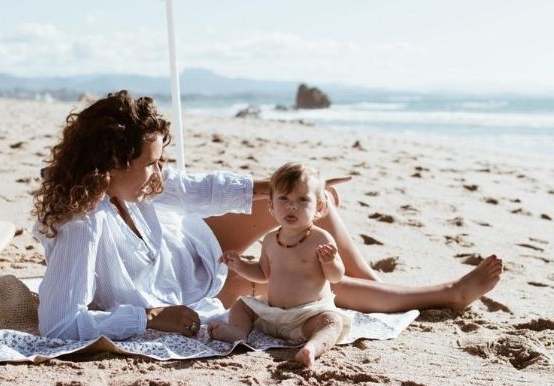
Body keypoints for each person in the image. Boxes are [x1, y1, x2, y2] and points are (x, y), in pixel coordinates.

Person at [32, 90, 503, 342]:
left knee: (304, 203)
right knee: (307, 276)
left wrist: (278, 190)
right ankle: (444, 293)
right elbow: (58, 324)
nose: (159, 172)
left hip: (195, 249)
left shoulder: (132, 182)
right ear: (111, 164)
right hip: (206, 287)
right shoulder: (82, 225)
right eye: (150, 162)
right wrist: (149, 317)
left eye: (160, 159)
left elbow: (197, 189)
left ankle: (378, 285)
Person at [210, 162, 351, 368]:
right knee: (242, 304)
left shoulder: (321, 238)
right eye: (283, 198)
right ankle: (238, 331)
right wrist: (240, 265)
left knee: (332, 321)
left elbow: (336, 277)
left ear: (319, 208)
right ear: (271, 205)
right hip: (272, 314)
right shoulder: (270, 240)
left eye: (303, 200)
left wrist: (330, 262)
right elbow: (263, 273)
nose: (291, 206)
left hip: (307, 316)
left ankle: (312, 347)